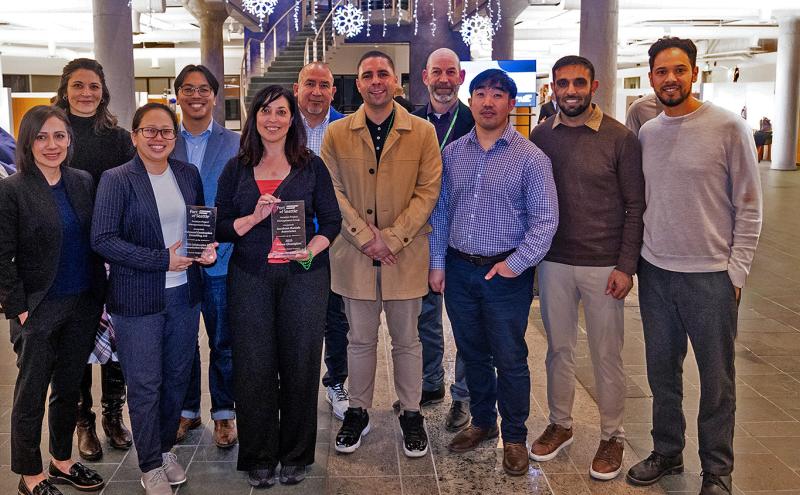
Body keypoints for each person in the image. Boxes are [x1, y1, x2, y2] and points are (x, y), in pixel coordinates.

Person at [626, 37, 763, 495]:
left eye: (679, 70)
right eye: (662, 71)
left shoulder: (728, 127)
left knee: (716, 380)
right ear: (651, 77)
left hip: (710, 276)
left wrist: (736, 272)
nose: (671, 79)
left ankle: (717, 470)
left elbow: (749, 205)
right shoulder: (648, 132)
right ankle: (667, 451)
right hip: (656, 272)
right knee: (662, 373)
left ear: (694, 73)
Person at [430, 69, 558, 476]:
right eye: (481, 94)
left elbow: (545, 221)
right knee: (472, 353)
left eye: (497, 95)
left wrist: (515, 265)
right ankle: (484, 422)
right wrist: (438, 263)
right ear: (471, 101)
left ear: (511, 103)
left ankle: (515, 436)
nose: (488, 102)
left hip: (505, 275)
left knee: (510, 357)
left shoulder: (531, 158)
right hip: (459, 270)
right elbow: (441, 212)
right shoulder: (453, 153)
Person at [216, 85, 341, 487]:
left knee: (301, 364)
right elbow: (221, 226)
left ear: (292, 119)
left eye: (282, 112)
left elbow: (332, 222)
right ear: (254, 117)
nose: (273, 119)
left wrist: (309, 250)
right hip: (249, 279)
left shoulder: (311, 166)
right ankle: (258, 455)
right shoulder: (237, 168)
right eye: (266, 111)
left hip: (303, 279)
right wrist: (252, 218)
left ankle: (296, 454)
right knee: (253, 366)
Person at [320, 50, 441, 458]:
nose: (376, 81)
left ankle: (411, 412)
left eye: (383, 74)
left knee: (408, 341)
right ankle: (357, 411)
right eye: (368, 75)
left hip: (404, 256)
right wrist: (363, 236)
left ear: (396, 82)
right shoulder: (336, 134)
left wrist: (391, 238)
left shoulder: (423, 132)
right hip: (354, 257)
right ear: (358, 84)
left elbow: (428, 191)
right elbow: (331, 191)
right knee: (359, 340)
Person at [91, 103, 216, 495]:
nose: (158, 138)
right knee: (145, 384)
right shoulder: (116, 179)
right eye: (150, 130)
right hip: (136, 299)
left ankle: (163, 450)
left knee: (177, 377)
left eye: (166, 131)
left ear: (175, 137)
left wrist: (205, 250)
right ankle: (149, 465)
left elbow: (197, 226)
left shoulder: (187, 174)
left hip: (185, 295)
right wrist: (162, 260)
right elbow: (103, 240)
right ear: (135, 136)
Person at [529, 55, 645, 480]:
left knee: (605, 354)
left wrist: (626, 266)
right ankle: (561, 424)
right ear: (553, 88)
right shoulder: (541, 136)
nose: (571, 91)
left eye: (579, 83)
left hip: (604, 266)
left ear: (594, 87)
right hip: (554, 262)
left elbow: (636, 206)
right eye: (563, 83)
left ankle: (612, 435)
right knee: (558, 350)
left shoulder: (619, 138)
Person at [0, 105, 106, 495]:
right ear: (28, 142)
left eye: (59, 136)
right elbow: (1, 256)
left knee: (69, 388)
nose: (51, 144)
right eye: (42, 137)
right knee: (30, 394)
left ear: (69, 140)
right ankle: (30, 475)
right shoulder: (11, 189)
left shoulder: (82, 181)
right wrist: (19, 309)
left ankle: (61, 461)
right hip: (39, 309)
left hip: (82, 303)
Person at [53, 57, 136, 461]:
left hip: (112, 251)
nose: (86, 93)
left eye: (93, 86)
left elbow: (130, 190)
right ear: (65, 89)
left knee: (115, 337)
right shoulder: (53, 134)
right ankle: (83, 421)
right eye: (78, 85)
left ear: (103, 92)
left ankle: (112, 416)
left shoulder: (119, 139)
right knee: (76, 339)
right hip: (67, 253)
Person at [172, 64, 240, 448]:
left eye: (203, 89)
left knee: (223, 340)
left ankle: (224, 413)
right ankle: (186, 410)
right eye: (188, 89)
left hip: (222, 259)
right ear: (178, 95)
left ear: (215, 96)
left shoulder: (236, 143)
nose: (195, 96)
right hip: (176, 261)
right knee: (182, 341)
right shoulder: (164, 140)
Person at [409, 47, 474, 431]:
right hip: (421, 235)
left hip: (464, 235)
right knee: (425, 318)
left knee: (464, 322)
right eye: (437, 72)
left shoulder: (476, 119)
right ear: (425, 77)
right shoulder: (410, 121)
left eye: (451, 72)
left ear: (460, 77)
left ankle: (463, 396)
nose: (444, 80)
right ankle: (431, 382)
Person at [293, 61, 351, 420]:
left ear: (333, 91)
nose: (316, 92)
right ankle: (293, 385)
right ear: (297, 88)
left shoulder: (348, 129)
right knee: (295, 316)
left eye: (324, 85)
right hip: (291, 239)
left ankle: (336, 382)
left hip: (337, 239)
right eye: (310, 84)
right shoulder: (280, 126)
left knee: (336, 317)